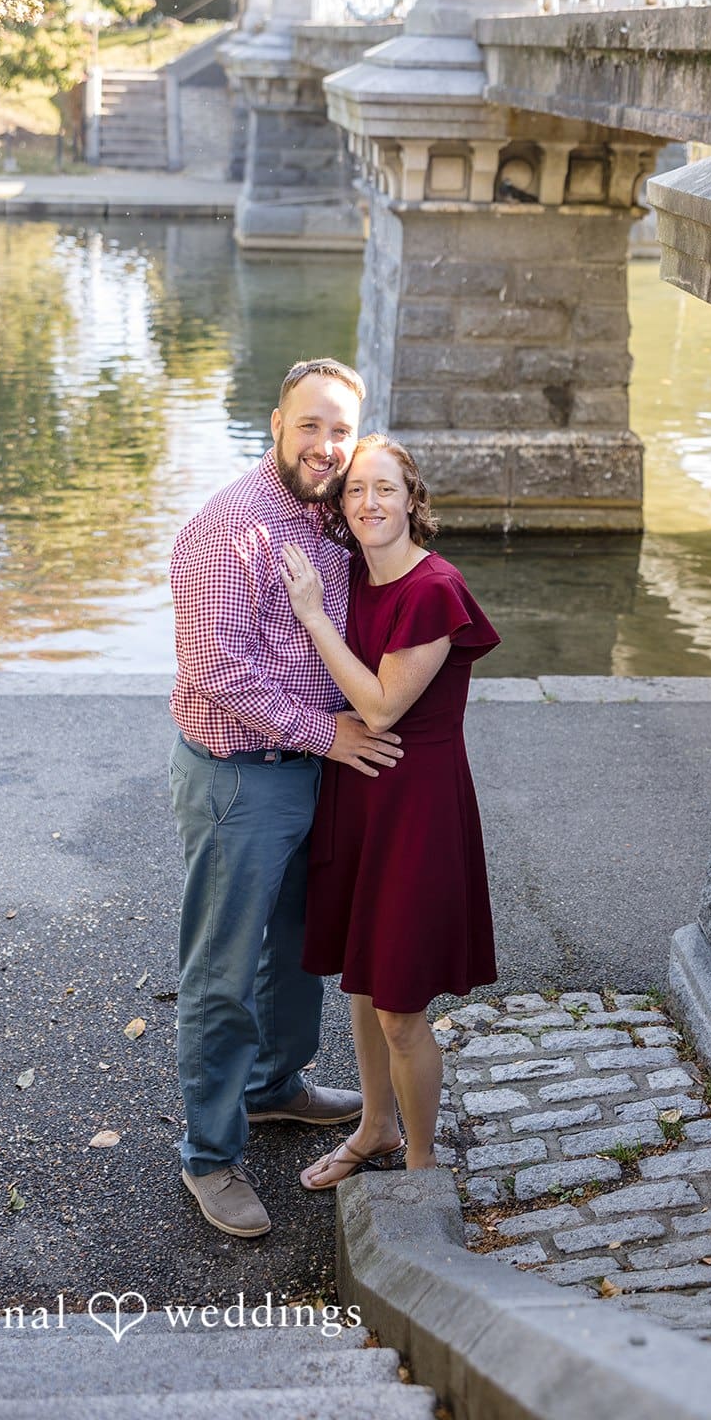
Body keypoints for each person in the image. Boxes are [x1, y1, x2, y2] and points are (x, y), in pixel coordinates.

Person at [168, 360, 404, 1239]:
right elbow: (216, 670)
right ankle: (208, 1155)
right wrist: (330, 732)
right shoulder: (230, 527)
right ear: (276, 424)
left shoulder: (332, 515)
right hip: (239, 773)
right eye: (309, 427)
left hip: (310, 768)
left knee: (299, 947)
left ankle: (274, 1088)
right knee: (222, 972)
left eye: (340, 430)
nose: (325, 446)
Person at [279, 435, 499, 1190]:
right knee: (365, 984)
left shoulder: (432, 588)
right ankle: (374, 1131)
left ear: (412, 499)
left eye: (384, 488)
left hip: (415, 805)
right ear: (341, 508)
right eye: (354, 492)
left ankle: (418, 1162)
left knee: (401, 1003)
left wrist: (310, 616)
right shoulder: (352, 579)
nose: (368, 503)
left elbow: (377, 706)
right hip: (358, 797)